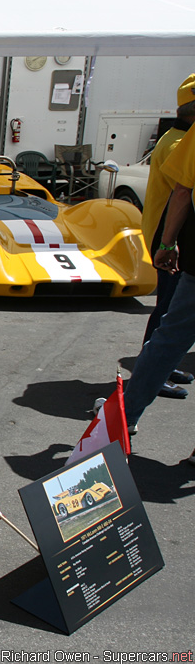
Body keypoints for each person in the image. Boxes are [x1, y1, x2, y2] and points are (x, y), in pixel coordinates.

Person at [119, 93, 195, 465]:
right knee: (166, 330)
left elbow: (184, 191)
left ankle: (125, 420)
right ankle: (126, 417)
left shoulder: (185, 139)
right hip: (183, 254)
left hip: (187, 255)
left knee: (168, 334)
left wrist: (168, 241)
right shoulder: (178, 141)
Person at [136, 74, 195, 399]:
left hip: (169, 235)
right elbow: (183, 193)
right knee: (168, 311)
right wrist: (168, 242)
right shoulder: (177, 143)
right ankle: (153, 372)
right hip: (168, 236)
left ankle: (162, 367)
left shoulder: (176, 138)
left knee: (170, 309)